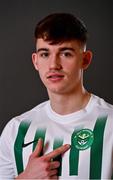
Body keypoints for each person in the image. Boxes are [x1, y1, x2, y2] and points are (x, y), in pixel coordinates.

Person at [0, 12, 113, 180]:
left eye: (65, 53)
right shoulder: (16, 129)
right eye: (45, 54)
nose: (54, 65)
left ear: (85, 59)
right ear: (35, 61)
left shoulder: (110, 123)